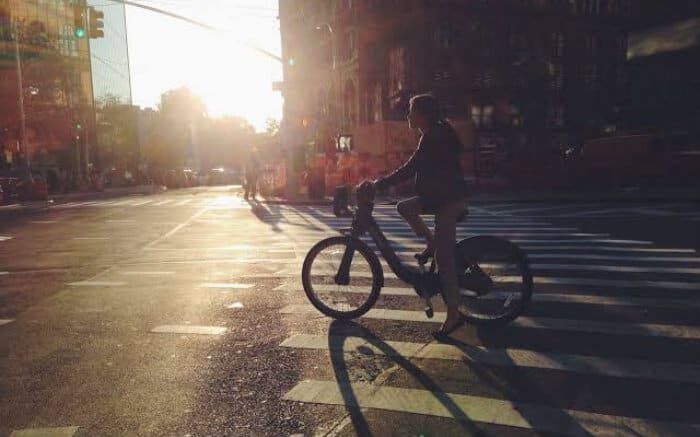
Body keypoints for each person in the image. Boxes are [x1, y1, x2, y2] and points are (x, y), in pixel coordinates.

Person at [373, 93, 468, 335]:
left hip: (448, 202)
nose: (407, 115)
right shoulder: (433, 134)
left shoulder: (434, 137)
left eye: (411, 111)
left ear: (422, 115)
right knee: (404, 207)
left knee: (445, 263)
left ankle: (454, 317)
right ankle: (431, 241)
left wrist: (379, 184)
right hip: (438, 198)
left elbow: (411, 168)